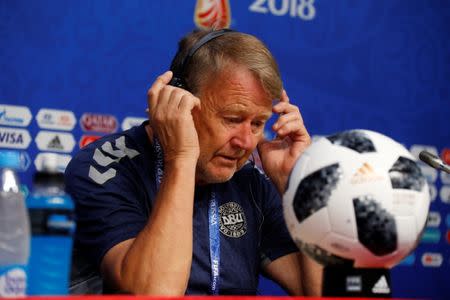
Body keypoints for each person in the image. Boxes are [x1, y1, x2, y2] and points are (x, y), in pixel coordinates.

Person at [65, 29, 322, 295]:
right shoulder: (104, 167)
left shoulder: (250, 182)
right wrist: (181, 158)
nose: (246, 142)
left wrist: (297, 185)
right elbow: (155, 293)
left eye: (257, 123)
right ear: (178, 102)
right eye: (232, 119)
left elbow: (322, 293)